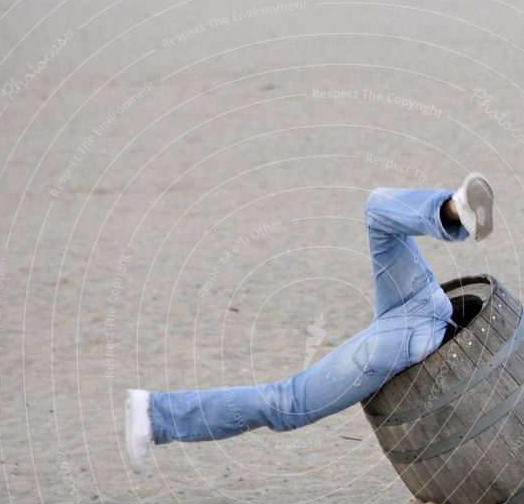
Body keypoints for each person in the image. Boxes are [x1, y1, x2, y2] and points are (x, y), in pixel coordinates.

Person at [124, 173, 493, 472]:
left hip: (419, 307)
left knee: (379, 209)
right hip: (416, 326)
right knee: (287, 402)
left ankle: (454, 208)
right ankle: (154, 413)